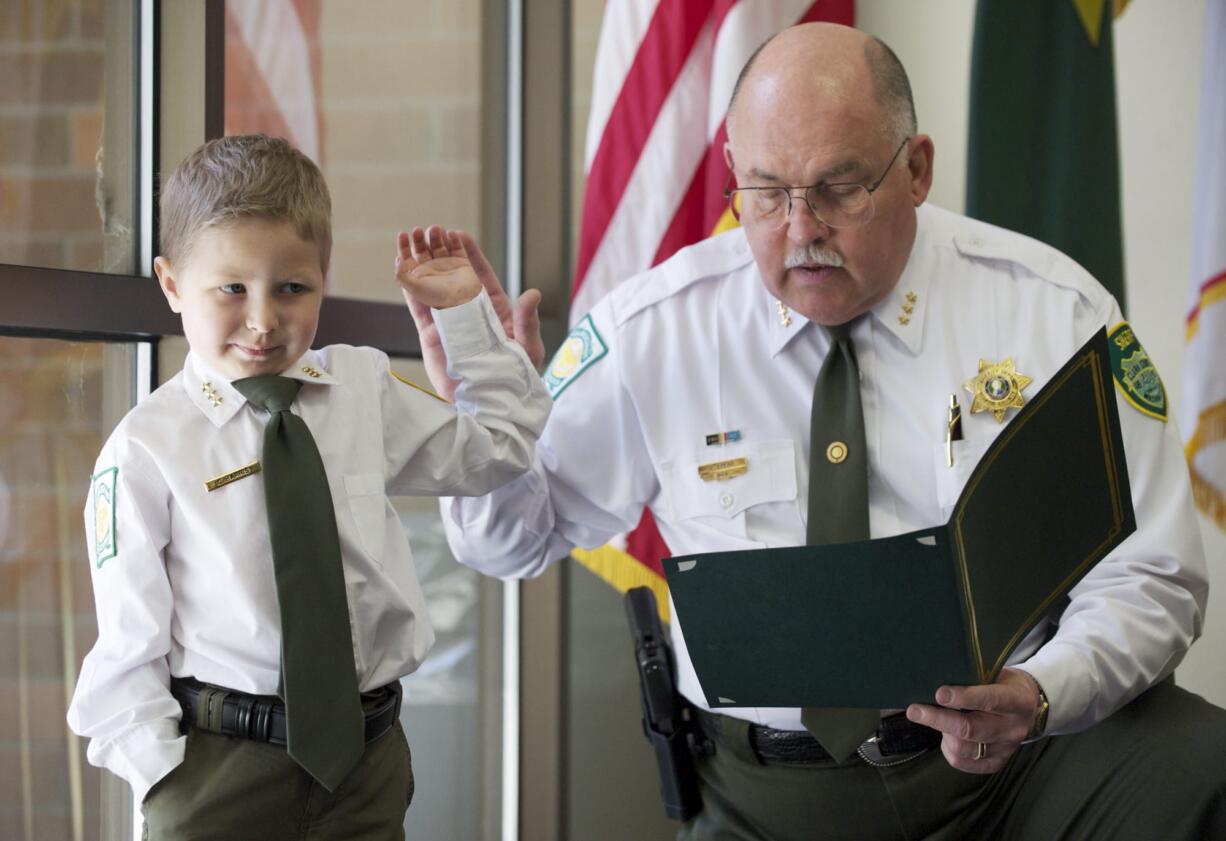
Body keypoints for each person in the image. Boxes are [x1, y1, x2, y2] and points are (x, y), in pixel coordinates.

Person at [410, 23, 1226, 841]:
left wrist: (1045, 691)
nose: (801, 228)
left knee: (1202, 764)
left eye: (840, 189)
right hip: (769, 791)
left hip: (1021, 768)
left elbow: (1154, 571)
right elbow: (507, 543)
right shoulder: (657, 328)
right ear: (732, 174)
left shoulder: (1049, 311)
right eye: (766, 191)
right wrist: (492, 423)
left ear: (916, 170)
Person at [66, 134, 550, 840]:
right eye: (231, 288)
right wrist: (167, 784)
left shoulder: (359, 385)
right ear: (172, 285)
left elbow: (498, 449)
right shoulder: (146, 448)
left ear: (323, 275)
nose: (263, 320)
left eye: (292, 287)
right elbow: (128, 646)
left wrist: (465, 321)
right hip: (220, 771)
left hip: (366, 763)